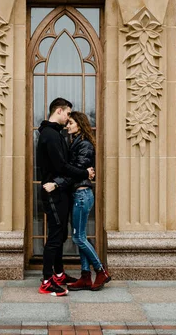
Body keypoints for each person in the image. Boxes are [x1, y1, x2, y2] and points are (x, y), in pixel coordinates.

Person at [43, 111, 111, 291]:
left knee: (78, 237)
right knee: (81, 236)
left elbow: (76, 172)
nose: (68, 126)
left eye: (71, 123)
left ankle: (100, 270)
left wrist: (56, 184)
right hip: (78, 195)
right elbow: (74, 171)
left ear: (79, 124)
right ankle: (85, 276)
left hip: (82, 195)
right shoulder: (76, 143)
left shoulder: (85, 145)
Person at [36, 98, 95, 296]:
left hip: (59, 191)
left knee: (60, 235)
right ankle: (46, 280)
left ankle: (59, 274)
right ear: (59, 111)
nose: (69, 117)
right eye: (68, 113)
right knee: (55, 236)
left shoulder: (55, 134)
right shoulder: (50, 135)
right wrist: (85, 173)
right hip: (53, 192)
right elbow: (61, 167)